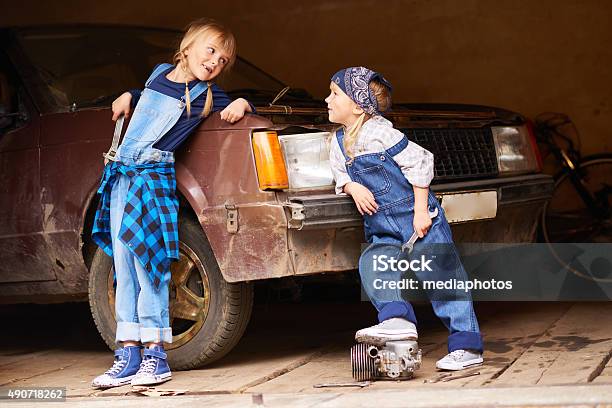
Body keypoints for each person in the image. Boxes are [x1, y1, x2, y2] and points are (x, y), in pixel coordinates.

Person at [91, 18, 253, 388]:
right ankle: (127, 353)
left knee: (150, 264)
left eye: (223, 60)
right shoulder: (159, 73)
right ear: (187, 46)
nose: (215, 62)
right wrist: (129, 94)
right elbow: (148, 93)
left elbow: (245, 104)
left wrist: (242, 102)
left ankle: (155, 356)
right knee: (123, 261)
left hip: (151, 179)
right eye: (210, 51)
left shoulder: (208, 95)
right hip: (121, 176)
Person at [327, 66, 483, 371]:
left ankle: (467, 346)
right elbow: (340, 172)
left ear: (358, 106)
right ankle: (396, 319)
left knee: (442, 278)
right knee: (372, 266)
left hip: (417, 220)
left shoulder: (382, 132)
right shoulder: (338, 140)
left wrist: (421, 211)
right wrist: (352, 186)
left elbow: (421, 164)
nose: (327, 100)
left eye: (334, 94)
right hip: (382, 227)